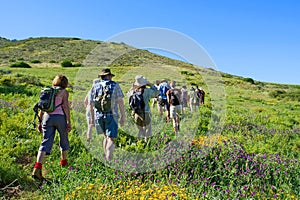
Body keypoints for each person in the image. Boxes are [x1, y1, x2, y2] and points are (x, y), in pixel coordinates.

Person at [32, 75, 71, 181]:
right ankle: (64, 164)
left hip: (47, 118)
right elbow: (65, 107)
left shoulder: (47, 91)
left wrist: (40, 122)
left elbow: (42, 107)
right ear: (65, 83)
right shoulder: (64, 92)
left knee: (45, 142)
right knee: (63, 139)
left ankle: (37, 168)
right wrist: (68, 122)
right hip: (60, 118)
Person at [88, 68, 125, 161]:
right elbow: (120, 101)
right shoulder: (115, 85)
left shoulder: (95, 87)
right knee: (111, 138)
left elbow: (91, 104)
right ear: (109, 76)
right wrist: (123, 116)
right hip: (112, 115)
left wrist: (92, 119)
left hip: (99, 115)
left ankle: (105, 156)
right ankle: (109, 158)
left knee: (105, 136)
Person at [128, 75, 159, 142]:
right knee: (147, 129)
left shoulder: (134, 91)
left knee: (140, 129)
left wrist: (132, 88)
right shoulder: (147, 91)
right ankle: (146, 143)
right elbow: (156, 93)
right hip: (146, 112)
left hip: (137, 113)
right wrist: (150, 84)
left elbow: (128, 97)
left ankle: (139, 142)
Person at [84, 79, 100, 146]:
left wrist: (86, 108)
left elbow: (85, 101)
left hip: (88, 109)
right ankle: (101, 140)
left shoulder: (90, 91)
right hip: (95, 110)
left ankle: (89, 141)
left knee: (89, 126)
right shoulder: (99, 92)